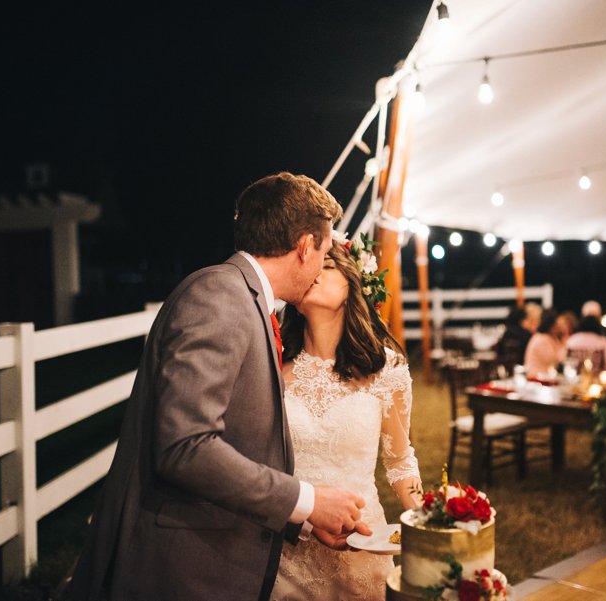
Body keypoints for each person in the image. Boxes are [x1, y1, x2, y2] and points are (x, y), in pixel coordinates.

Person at [68, 173, 370, 601]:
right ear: (304, 246)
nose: (322, 266)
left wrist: (300, 520)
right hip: (179, 572)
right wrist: (306, 501)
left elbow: (241, 438)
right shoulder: (219, 296)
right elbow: (185, 447)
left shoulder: (246, 301)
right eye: (323, 251)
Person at [271, 236, 422, 599]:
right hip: (288, 555)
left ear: (354, 284)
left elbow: (401, 461)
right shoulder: (272, 370)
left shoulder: (389, 372)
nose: (313, 274)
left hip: (364, 547)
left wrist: (430, 523)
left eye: (326, 266)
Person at [523, 309, 570, 376]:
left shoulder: (550, 338)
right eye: (557, 325)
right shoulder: (541, 339)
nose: (559, 328)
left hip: (544, 376)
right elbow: (558, 359)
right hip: (536, 377)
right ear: (550, 326)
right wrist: (563, 341)